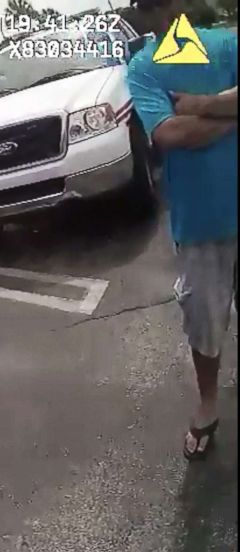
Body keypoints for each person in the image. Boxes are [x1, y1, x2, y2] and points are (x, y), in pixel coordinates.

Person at [125, 0, 237, 461]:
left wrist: (205, 106)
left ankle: (208, 406)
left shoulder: (227, 43)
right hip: (201, 219)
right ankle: (208, 402)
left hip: (203, 216)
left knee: (205, 320)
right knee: (204, 322)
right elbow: (168, 135)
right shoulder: (144, 67)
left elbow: (178, 128)